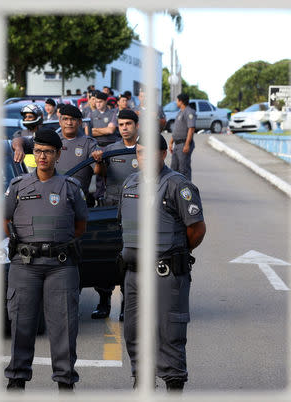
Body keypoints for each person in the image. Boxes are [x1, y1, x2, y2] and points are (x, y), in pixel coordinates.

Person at [4, 128, 88, 391]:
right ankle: (17, 378)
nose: (42, 157)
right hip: (25, 265)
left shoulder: (71, 187)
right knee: (22, 323)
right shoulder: (18, 186)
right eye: (38, 151)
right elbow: (5, 221)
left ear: (58, 154)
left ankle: (65, 381)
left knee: (63, 324)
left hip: (60, 266)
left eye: (48, 152)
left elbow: (81, 225)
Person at [121, 134, 206, 392]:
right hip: (134, 275)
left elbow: (197, 230)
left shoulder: (178, 186)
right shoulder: (130, 185)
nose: (144, 158)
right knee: (133, 333)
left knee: (169, 334)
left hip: (166, 272)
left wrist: (174, 253)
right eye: (139, 153)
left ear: (163, 154)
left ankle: (174, 386)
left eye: (150, 152)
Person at [90, 109, 140, 320]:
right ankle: (103, 302)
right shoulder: (110, 149)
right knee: (107, 256)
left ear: (136, 125)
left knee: (131, 259)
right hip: (110, 209)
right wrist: (99, 161)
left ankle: (128, 306)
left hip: (136, 212)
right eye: (121, 124)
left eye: (128, 123)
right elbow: (98, 174)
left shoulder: (143, 150)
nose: (124, 128)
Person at [169, 93, 196, 181]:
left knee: (183, 168)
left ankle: (187, 189)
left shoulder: (189, 112)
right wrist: (171, 142)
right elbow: (177, 129)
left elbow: (191, 129)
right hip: (177, 144)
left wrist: (187, 144)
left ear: (181, 101)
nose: (176, 102)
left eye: (177, 100)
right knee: (174, 168)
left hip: (184, 143)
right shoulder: (180, 112)